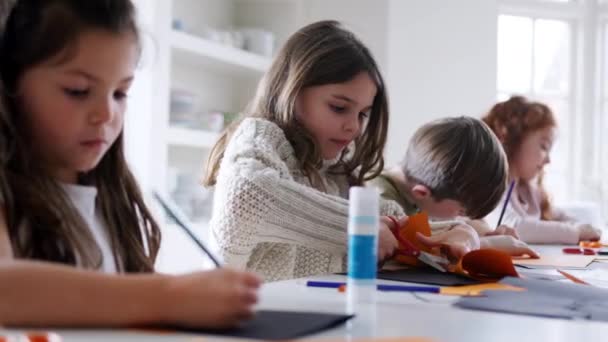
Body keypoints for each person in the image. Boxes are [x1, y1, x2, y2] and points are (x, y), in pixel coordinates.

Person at [0, 0, 259, 328]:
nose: (107, 115)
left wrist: (204, 296)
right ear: (9, 84)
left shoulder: (111, 196)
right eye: (78, 91)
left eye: (120, 93)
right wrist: (171, 295)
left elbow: (111, 292)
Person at [202, 21, 480, 282]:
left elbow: (390, 219)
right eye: (338, 107)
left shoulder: (333, 169)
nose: (354, 128)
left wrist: (459, 231)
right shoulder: (259, 135)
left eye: (362, 114)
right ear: (292, 90)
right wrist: (359, 225)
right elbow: (248, 195)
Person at [370, 116, 538, 258]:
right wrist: (486, 244)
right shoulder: (380, 199)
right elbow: (411, 245)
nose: (461, 217)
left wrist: (488, 232)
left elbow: (464, 222)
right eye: (461, 211)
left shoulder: (431, 189)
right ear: (422, 193)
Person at [482, 96, 602, 244]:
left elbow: (565, 218)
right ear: (515, 140)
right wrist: (575, 232)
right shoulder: (491, 191)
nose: (548, 160)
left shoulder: (529, 193)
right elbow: (515, 227)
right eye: (544, 147)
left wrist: (582, 228)